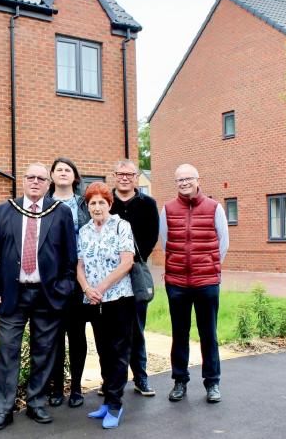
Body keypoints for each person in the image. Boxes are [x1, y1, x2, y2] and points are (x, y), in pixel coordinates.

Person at [0, 163, 78, 431]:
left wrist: (65, 288)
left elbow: (70, 258)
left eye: (40, 178)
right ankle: (3, 409)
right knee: (7, 352)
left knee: (43, 352)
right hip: (12, 295)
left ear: (47, 184)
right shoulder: (5, 211)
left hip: (47, 296)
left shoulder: (60, 213)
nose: (35, 182)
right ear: (22, 181)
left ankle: (36, 402)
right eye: (30, 178)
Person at [159, 164, 229, 404]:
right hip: (177, 283)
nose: (184, 183)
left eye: (188, 178)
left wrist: (210, 264)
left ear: (198, 180)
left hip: (206, 282)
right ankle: (180, 381)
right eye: (179, 180)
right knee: (179, 334)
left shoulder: (214, 208)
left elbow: (223, 243)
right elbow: (166, 243)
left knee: (208, 334)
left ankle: (212, 383)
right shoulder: (167, 209)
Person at [77, 182, 136, 429]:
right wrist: (87, 289)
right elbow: (79, 265)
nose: (97, 207)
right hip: (93, 300)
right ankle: (107, 398)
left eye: (102, 202)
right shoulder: (84, 231)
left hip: (119, 299)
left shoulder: (122, 226)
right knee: (103, 351)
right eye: (93, 203)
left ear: (109, 204)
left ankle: (115, 403)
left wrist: (100, 288)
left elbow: (127, 263)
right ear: (88, 207)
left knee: (119, 352)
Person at [109, 160, 160, 397]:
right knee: (111, 331)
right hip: (110, 275)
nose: (125, 178)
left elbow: (151, 236)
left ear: (136, 177)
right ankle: (110, 381)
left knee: (137, 329)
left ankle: (140, 377)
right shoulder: (106, 201)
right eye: (120, 174)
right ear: (114, 176)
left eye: (129, 174)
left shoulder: (147, 204)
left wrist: (132, 259)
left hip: (136, 272)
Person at [46, 157, 91, 408]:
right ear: (52, 176)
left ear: (75, 177)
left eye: (68, 170)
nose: (63, 173)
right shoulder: (44, 204)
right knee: (54, 335)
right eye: (59, 170)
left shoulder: (84, 203)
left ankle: (76, 387)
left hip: (80, 278)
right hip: (52, 279)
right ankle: (55, 387)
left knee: (76, 333)